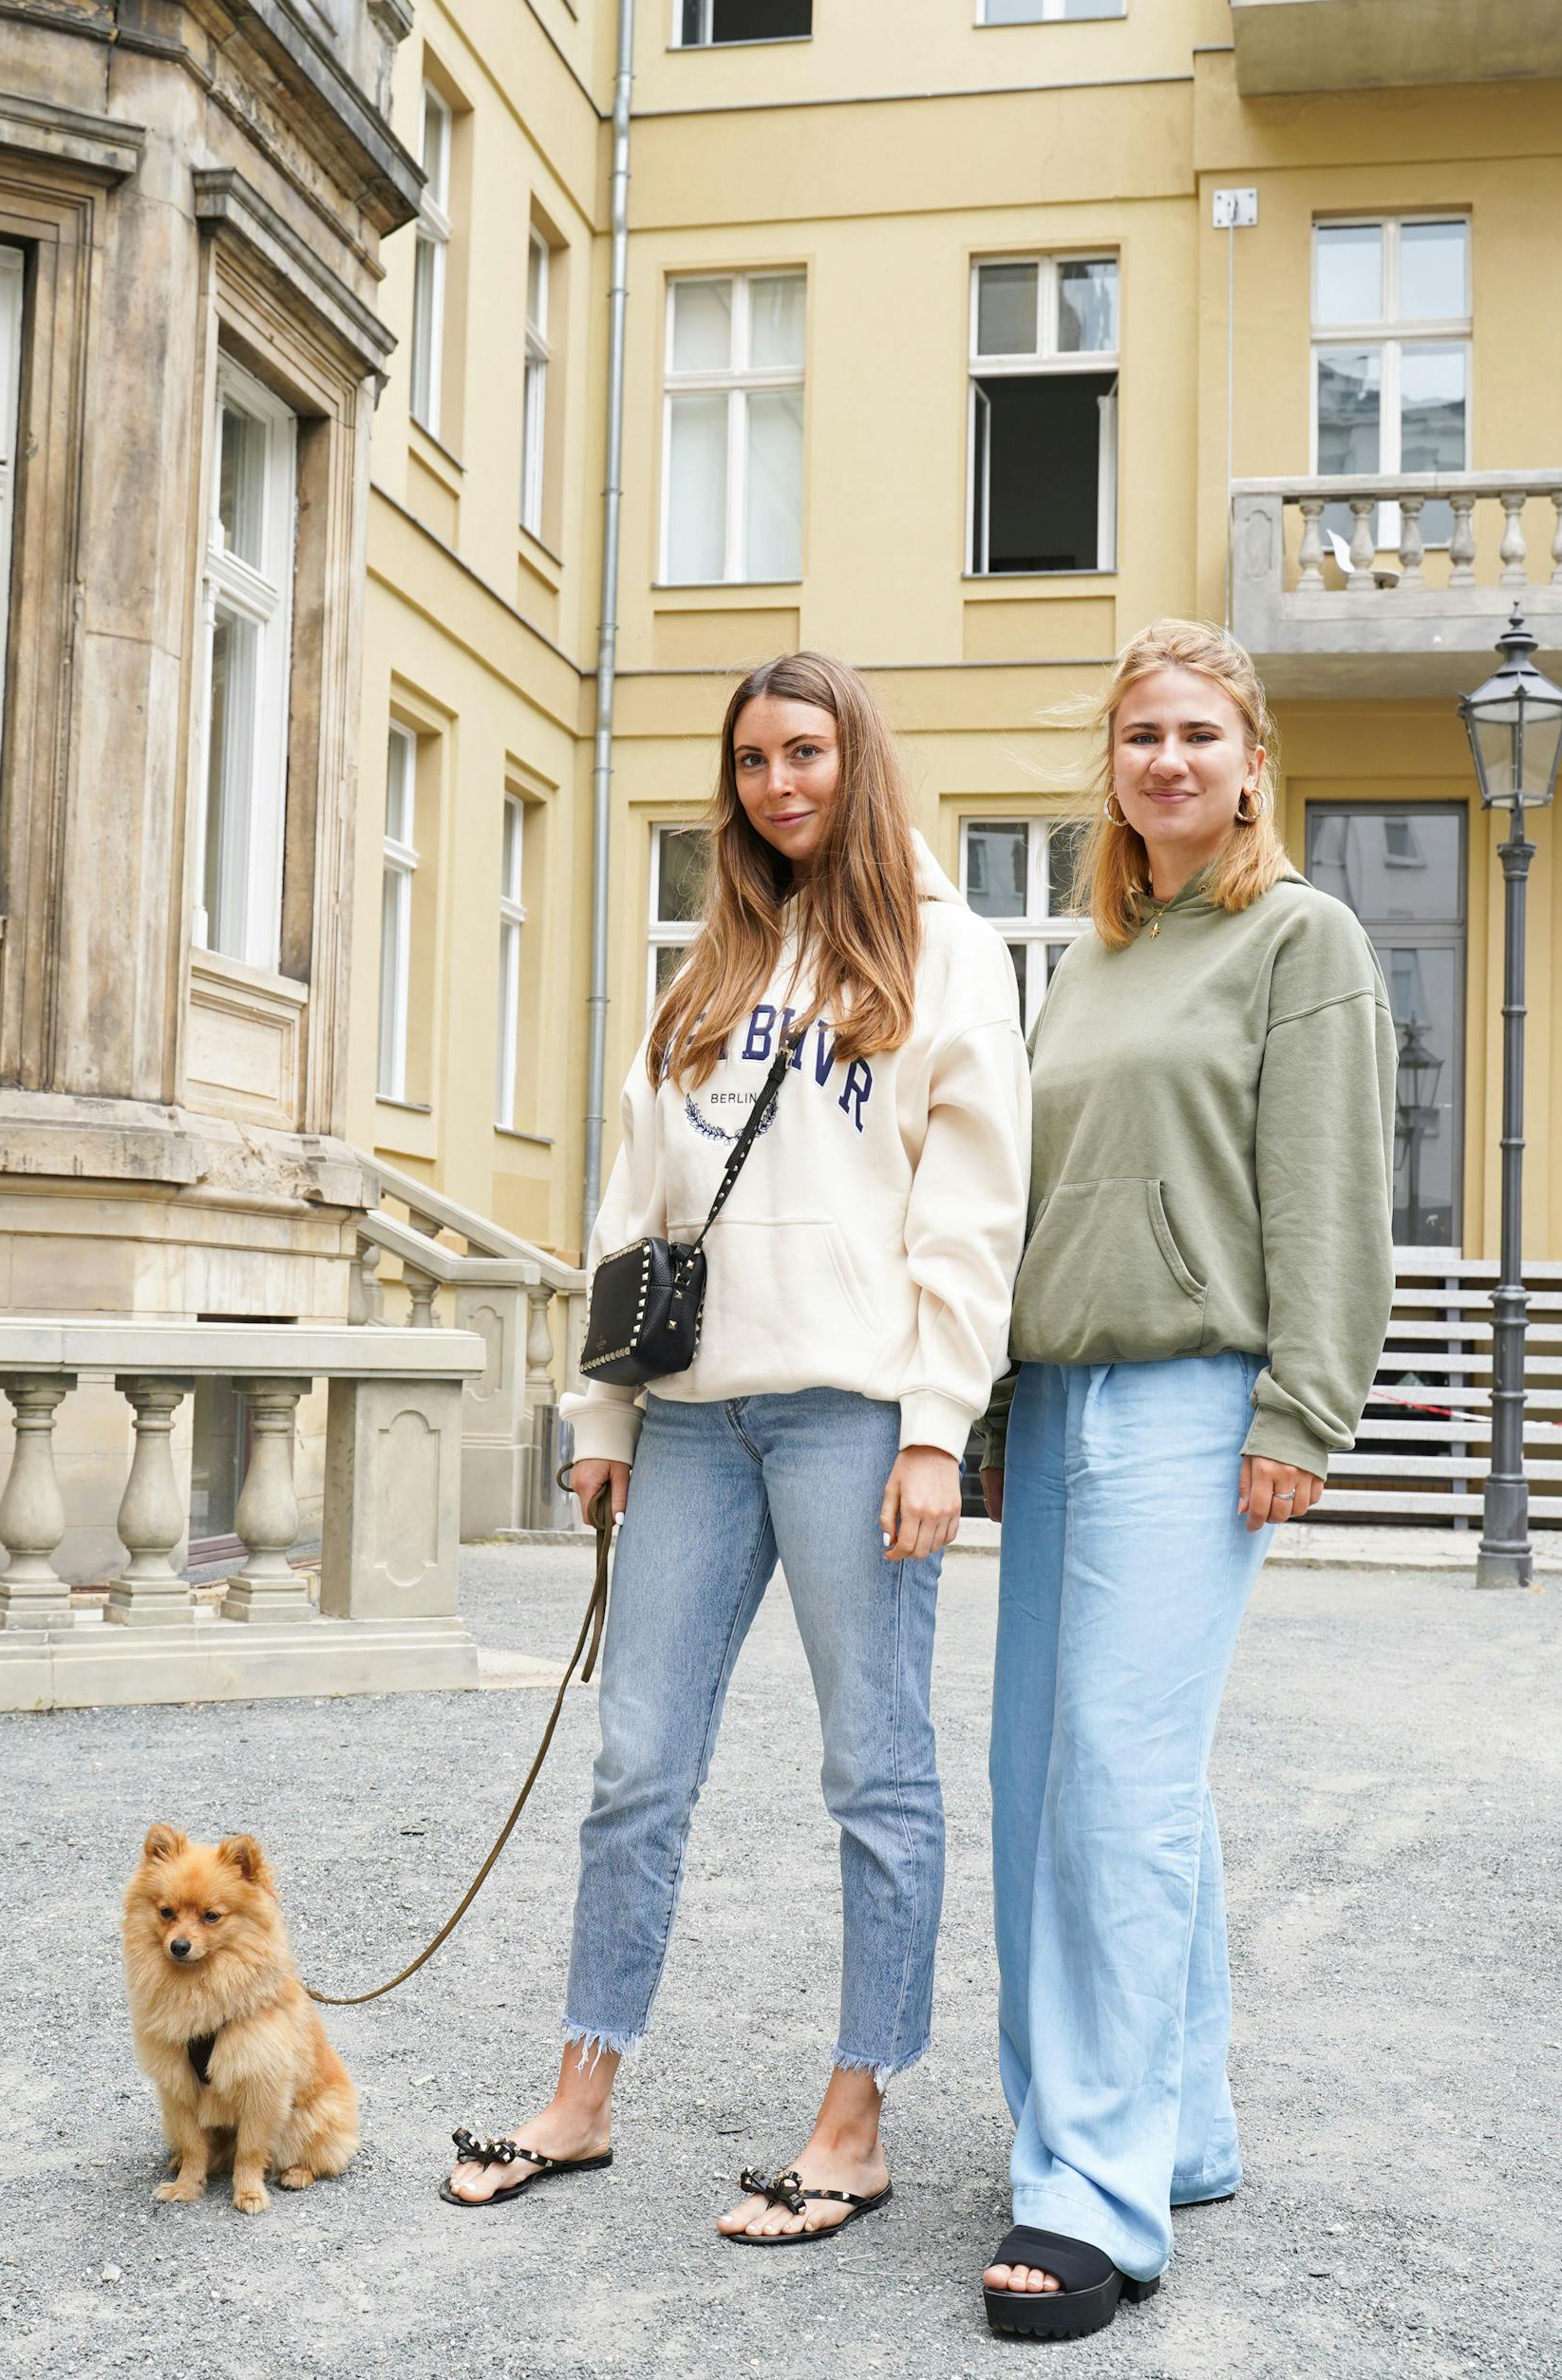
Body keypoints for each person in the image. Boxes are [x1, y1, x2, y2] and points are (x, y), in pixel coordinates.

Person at [442, 651, 1029, 2240]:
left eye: (808, 751)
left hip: (852, 1413)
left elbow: (969, 1220)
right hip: (694, 1424)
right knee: (635, 1759)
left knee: (873, 1769)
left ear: (859, 760)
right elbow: (633, 1209)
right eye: (755, 759)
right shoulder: (706, 971)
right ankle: (581, 2090)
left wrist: (935, 1431)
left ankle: (855, 2116)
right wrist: (600, 1414)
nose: (780, 783)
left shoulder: (947, 957)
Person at [975, 619, 1395, 2337]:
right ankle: (1181, 2125)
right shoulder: (1088, 963)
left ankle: (1093, 2198)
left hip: (1194, 1399)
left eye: (1199, 733)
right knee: (1047, 1778)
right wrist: (995, 1403)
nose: (1166, 759)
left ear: (1251, 765)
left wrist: (1305, 1408)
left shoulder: (1301, 937)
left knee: (1118, 1787)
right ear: (1116, 769)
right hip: (1064, 1398)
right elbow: (1028, 1199)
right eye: (1140, 732)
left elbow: (1328, 1188)